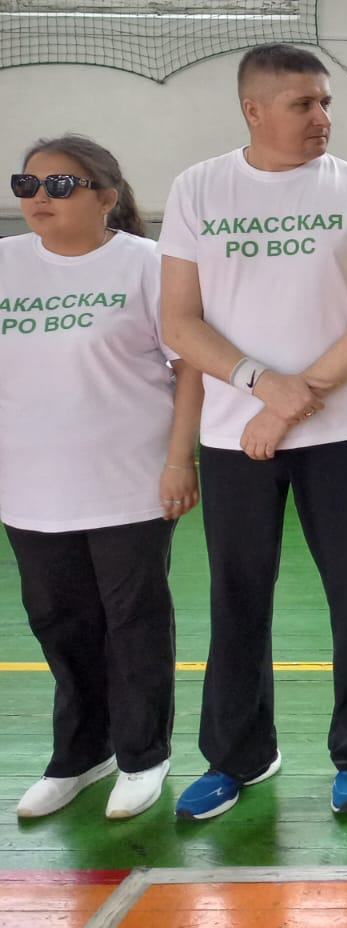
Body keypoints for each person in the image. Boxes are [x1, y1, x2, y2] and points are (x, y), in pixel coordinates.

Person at [160, 44, 347, 820]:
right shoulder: (198, 189)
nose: (322, 116)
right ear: (254, 110)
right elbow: (179, 321)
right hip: (235, 439)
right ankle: (238, 756)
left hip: (342, 436)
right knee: (237, 595)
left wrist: (291, 404)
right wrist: (262, 386)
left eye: (326, 101)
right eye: (303, 104)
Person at [1, 136, 201, 821]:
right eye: (27, 185)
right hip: (30, 488)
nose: (39, 199)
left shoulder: (147, 265)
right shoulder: (6, 264)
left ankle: (143, 755)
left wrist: (179, 460)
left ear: (106, 197)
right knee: (58, 622)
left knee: (133, 622)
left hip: (129, 484)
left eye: (59, 186)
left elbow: (191, 369)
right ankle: (82, 754)